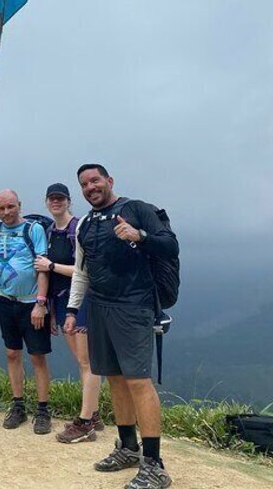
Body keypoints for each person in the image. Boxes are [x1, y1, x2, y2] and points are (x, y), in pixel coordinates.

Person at [67, 164, 178, 489]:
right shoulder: (85, 223)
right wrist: (73, 309)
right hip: (99, 307)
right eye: (84, 184)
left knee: (138, 382)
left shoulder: (137, 209)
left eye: (95, 180)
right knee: (114, 379)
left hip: (134, 306)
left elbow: (171, 245)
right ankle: (128, 448)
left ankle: (154, 464)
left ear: (109, 181)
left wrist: (139, 235)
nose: (90, 187)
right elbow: (81, 271)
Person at [32, 183, 103, 443]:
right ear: (47, 202)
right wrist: (50, 309)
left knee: (88, 362)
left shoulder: (79, 228)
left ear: (69, 201)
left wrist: (51, 265)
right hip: (62, 303)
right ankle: (93, 412)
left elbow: (85, 271)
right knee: (82, 360)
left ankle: (87, 422)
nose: (56, 203)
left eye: (60, 199)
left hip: (81, 301)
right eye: (52, 199)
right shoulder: (50, 231)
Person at [0, 190, 52, 433]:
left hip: (30, 303)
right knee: (12, 353)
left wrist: (40, 302)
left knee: (37, 356)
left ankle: (43, 410)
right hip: (5, 300)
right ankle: (18, 406)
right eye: (1, 208)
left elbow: (42, 267)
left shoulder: (33, 229)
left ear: (20, 205)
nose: (6, 212)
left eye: (11, 207)